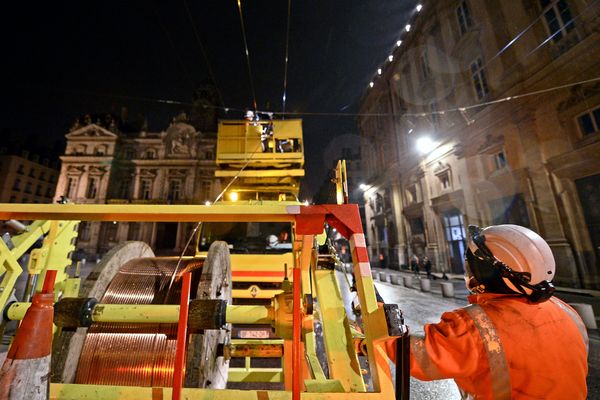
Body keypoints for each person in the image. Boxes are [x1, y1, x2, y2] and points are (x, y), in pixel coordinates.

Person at [395, 224, 588, 399]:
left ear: (487, 271)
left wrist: (381, 324)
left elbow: (418, 357)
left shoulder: (474, 324)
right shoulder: (567, 311)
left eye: (472, 267)